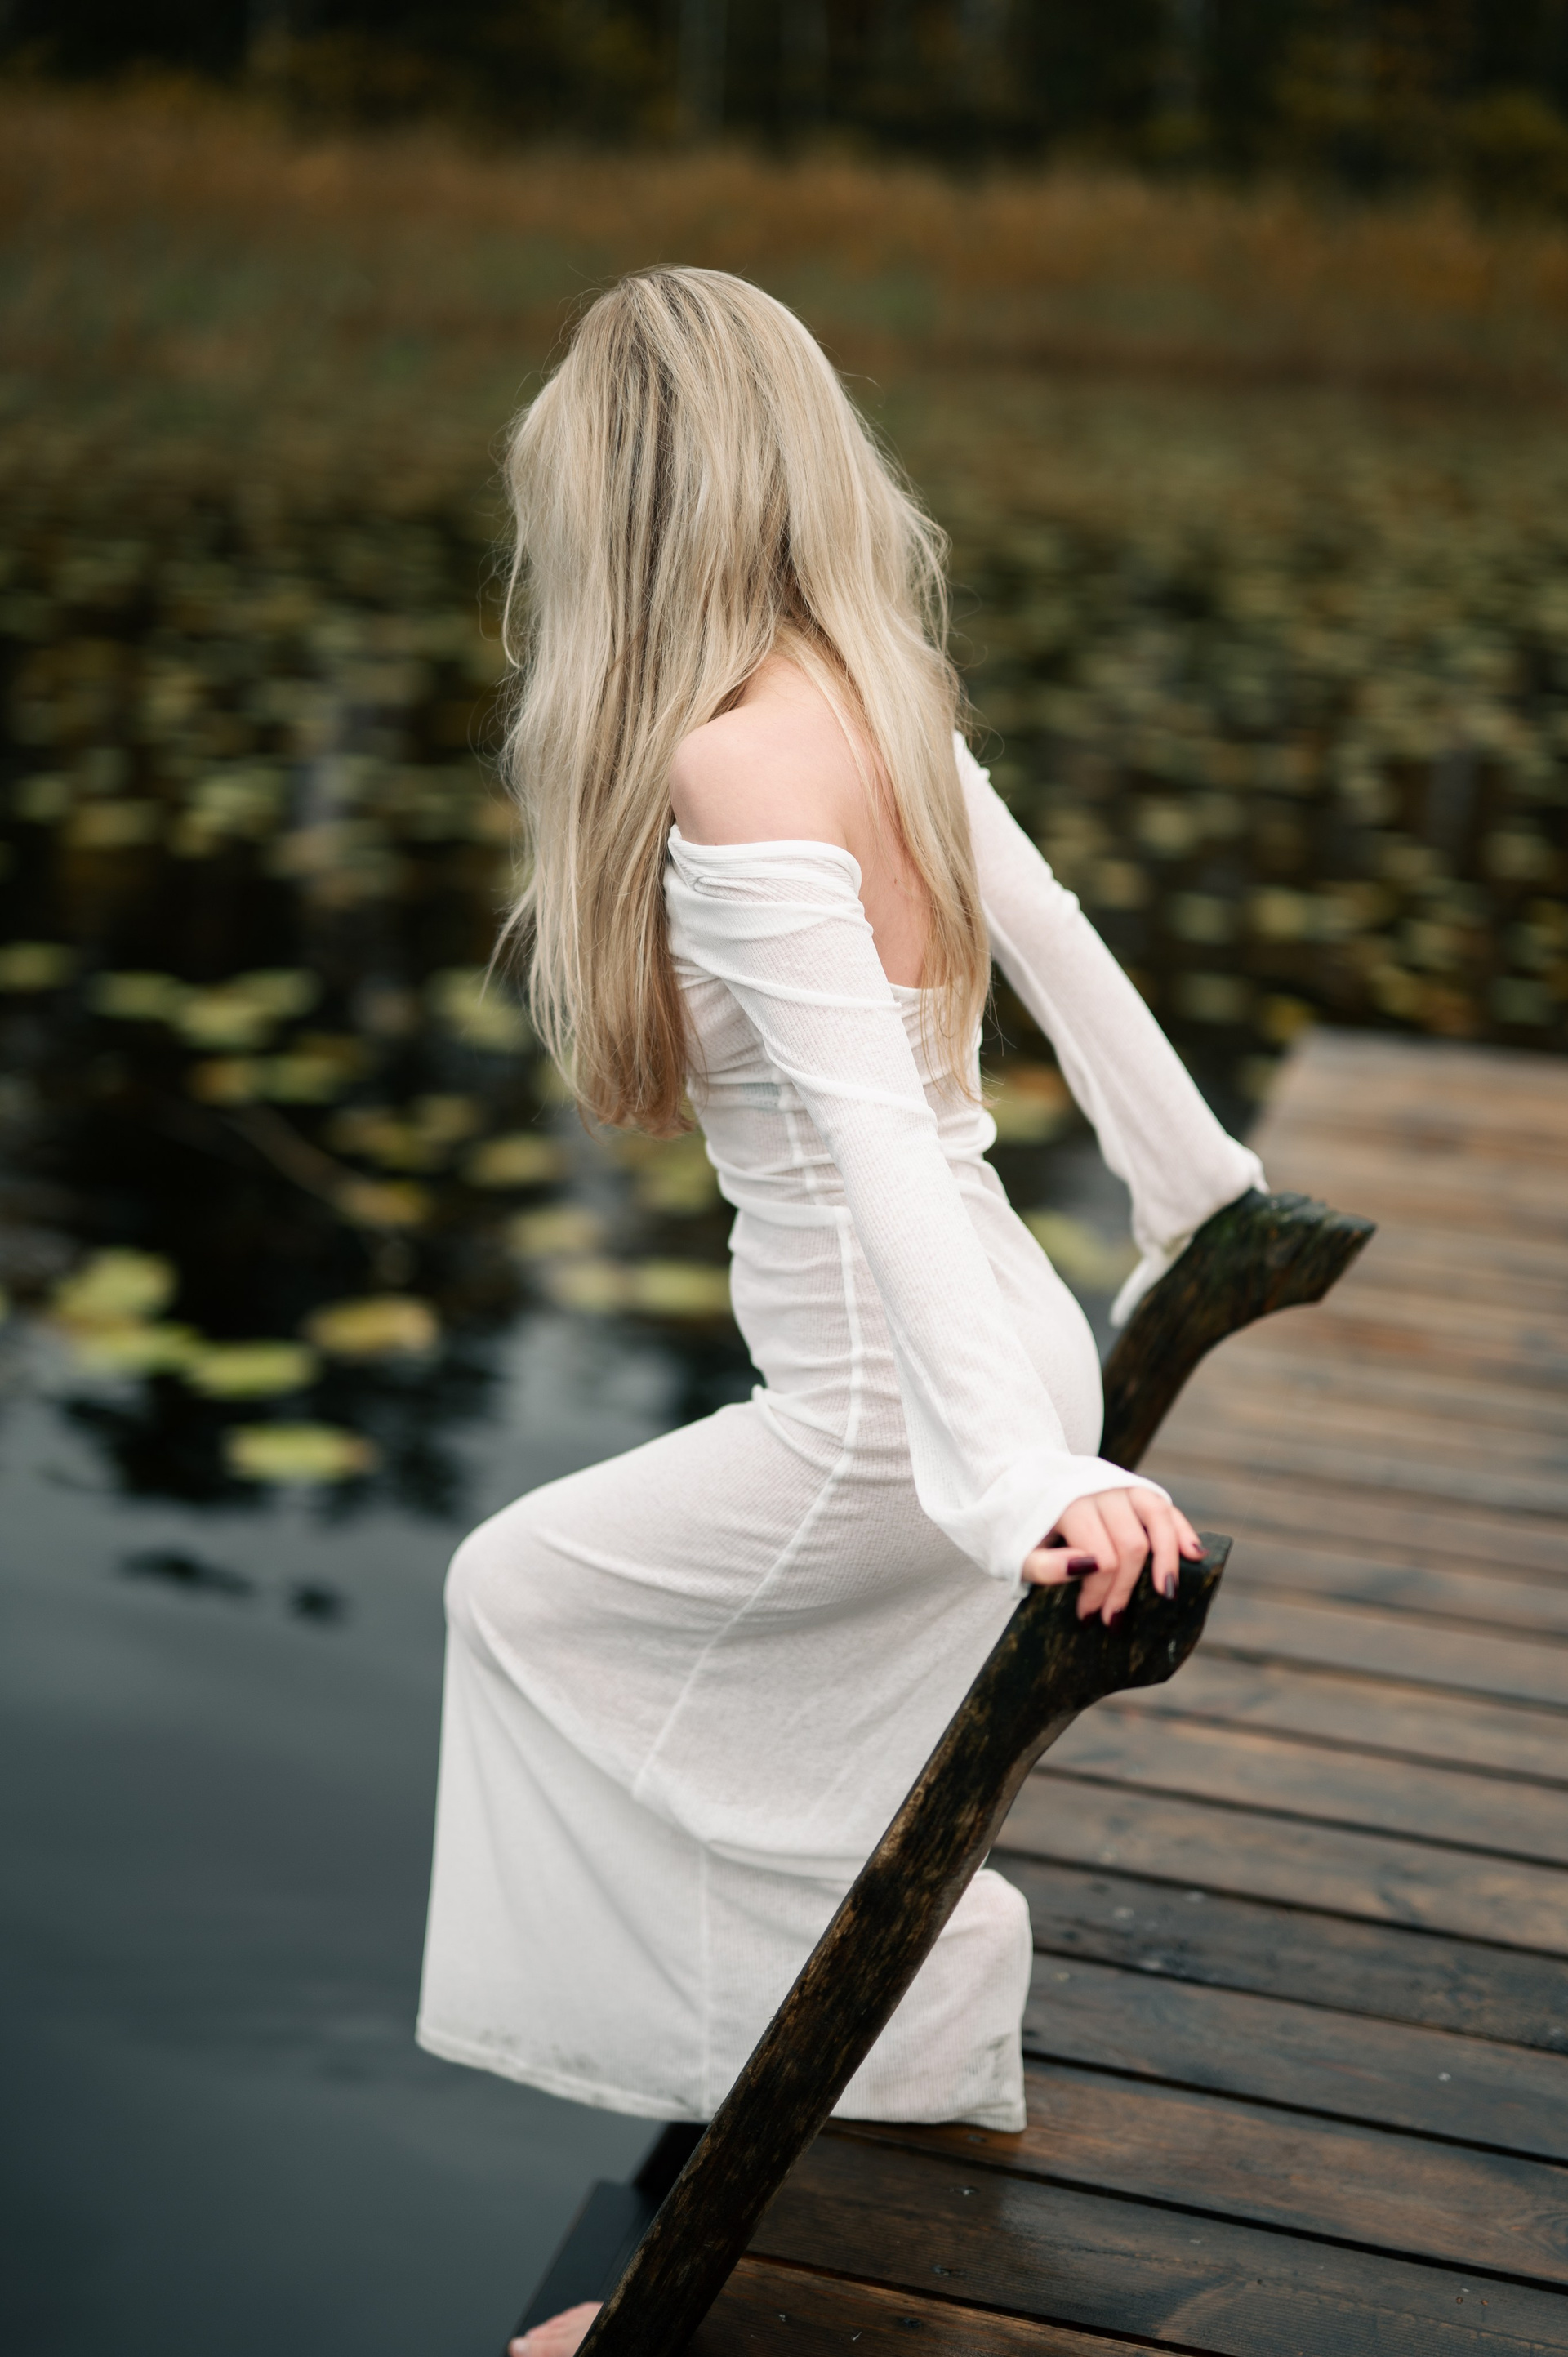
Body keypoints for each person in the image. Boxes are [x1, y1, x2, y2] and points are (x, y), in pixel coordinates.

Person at [415, 267, 1263, 2357]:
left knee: (520, 1599)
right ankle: (889, 2019)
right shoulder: (881, 694)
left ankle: (737, 2197)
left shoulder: (724, 763)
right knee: (745, 1724)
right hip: (996, 1334)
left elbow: (878, 1137)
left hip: (896, 1406)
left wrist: (1008, 1484)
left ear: (614, 510)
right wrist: (1197, 1189)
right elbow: (1062, 950)